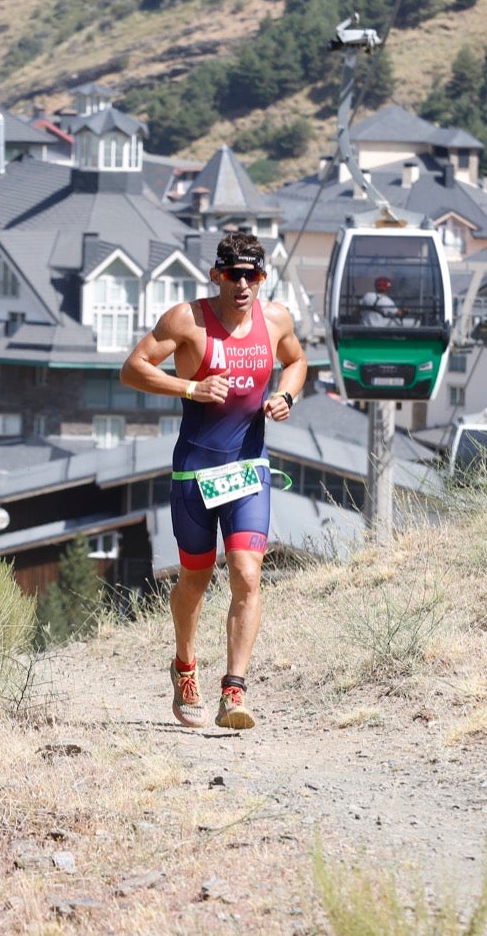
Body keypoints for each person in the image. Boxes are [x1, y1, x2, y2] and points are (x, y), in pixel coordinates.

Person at [121, 232, 306, 730]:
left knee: (247, 573)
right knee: (196, 578)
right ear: (216, 275)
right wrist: (191, 387)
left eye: (254, 275)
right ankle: (184, 667)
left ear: (263, 278)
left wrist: (286, 397)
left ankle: (234, 691)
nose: (244, 285)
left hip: (249, 469)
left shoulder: (276, 319)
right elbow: (133, 369)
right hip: (196, 472)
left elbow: (296, 362)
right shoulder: (188, 320)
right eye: (234, 275)